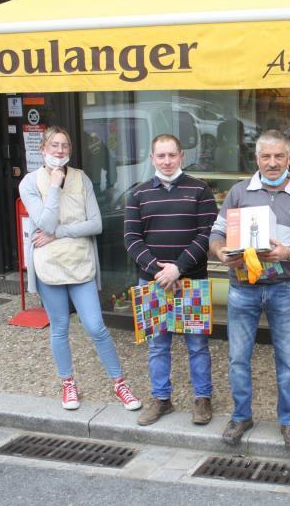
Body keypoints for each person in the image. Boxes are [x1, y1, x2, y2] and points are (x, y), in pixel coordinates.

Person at [210, 129, 290, 452]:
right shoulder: (238, 192)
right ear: (256, 158)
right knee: (237, 358)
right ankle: (241, 415)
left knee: (288, 360)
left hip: (283, 287)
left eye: (279, 156)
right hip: (242, 287)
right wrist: (220, 253)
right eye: (266, 157)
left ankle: (289, 422)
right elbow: (216, 233)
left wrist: (289, 252)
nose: (272, 163)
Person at [19, 126, 141, 412]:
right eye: (54, 145)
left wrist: (59, 232)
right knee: (59, 327)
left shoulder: (82, 178)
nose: (60, 151)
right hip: (49, 266)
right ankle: (68, 383)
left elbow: (95, 224)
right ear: (43, 149)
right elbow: (43, 223)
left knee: (96, 326)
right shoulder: (28, 183)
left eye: (65, 146)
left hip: (80, 263)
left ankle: (119, 383)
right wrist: (54, 185)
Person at [124, 134, 218, 427]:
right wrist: (157, 271)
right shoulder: (137, 194)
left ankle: (203, 399)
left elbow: (207, 235)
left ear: (182, 156)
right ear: (152, 158)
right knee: (157, 346)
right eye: (161, 156)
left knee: (198, 346)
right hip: (152, 283)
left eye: (172, 155)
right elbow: (131, 239)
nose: (166, 161)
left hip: (191, 281)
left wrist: (178, 269)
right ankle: (161, 399)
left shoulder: (200, 190)